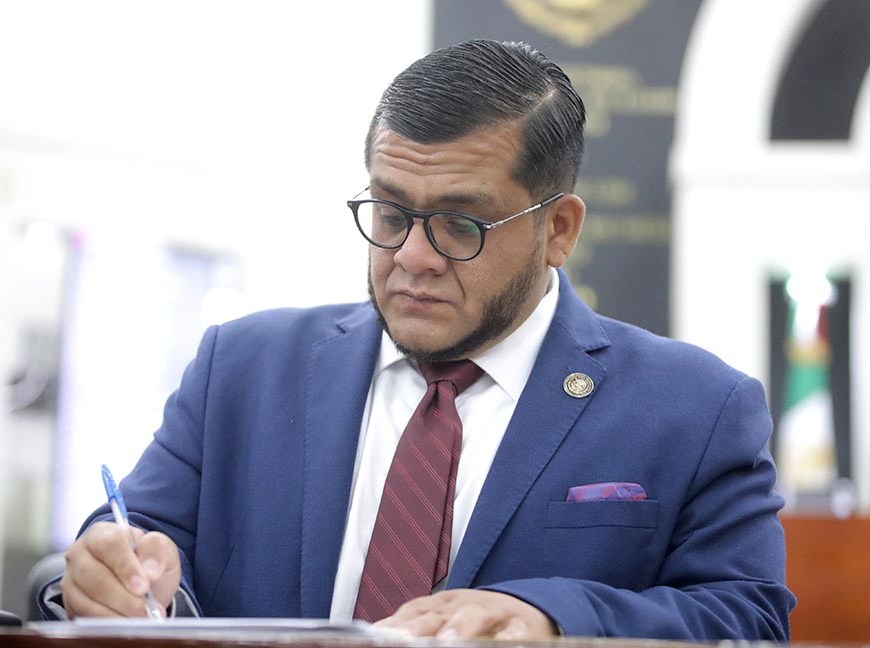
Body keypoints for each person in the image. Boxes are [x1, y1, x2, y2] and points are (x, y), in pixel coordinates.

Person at [45, 39, 795, 640]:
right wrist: (102, 576)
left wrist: (555, 619)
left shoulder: (695, 408)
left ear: (559, 230)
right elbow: (126, 551)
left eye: (461, 224)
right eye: (391, 213)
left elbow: (748, 619)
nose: (412, 256)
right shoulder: (240, 371)